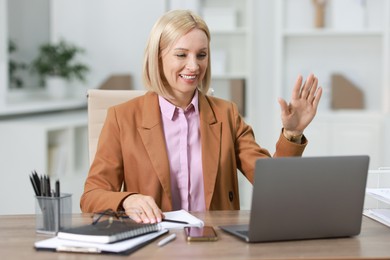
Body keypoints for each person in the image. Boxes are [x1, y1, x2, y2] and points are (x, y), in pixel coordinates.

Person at [80, 9, 322, 224]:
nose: (194, 66)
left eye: (201, 55)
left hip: (216, 243)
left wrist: (293, 133)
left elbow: (274, 186)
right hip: (152, 245)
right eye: (181, 55)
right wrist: (127, 200)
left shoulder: (227, 114)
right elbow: (92, 196)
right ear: (158, 57)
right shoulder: (122, 118)